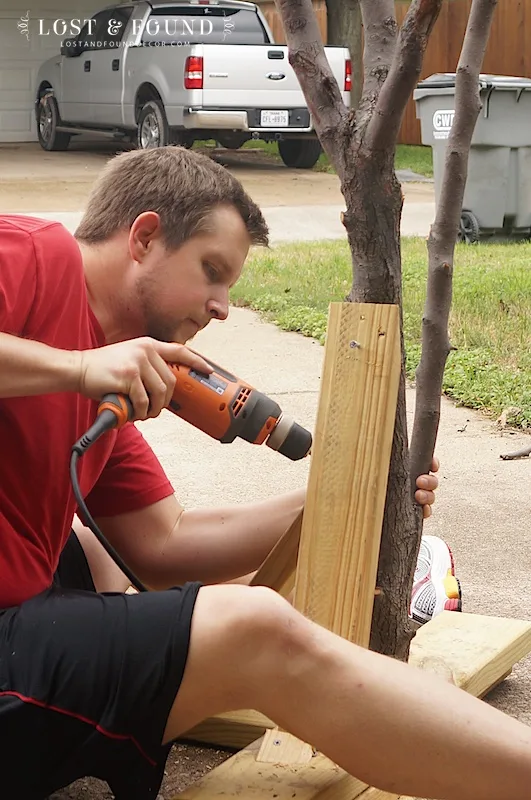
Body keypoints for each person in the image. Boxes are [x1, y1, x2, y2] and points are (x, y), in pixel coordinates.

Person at [1, 146, 529, 800]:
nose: (221, 307)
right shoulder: (31, 254)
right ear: (142, 237)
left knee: (97, 556)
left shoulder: (113, 380)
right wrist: (75, 369)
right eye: (211, 271)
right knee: (252, 628)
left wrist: (348, 494)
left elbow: (163, 546)